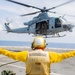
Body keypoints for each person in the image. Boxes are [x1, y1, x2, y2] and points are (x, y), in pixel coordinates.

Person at [0, 36, 75, 75]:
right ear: (44, 45)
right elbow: (66, 55)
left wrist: (1, 50)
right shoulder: (50, 55)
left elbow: (10, 53)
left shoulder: (26, 54)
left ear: (33, 45)